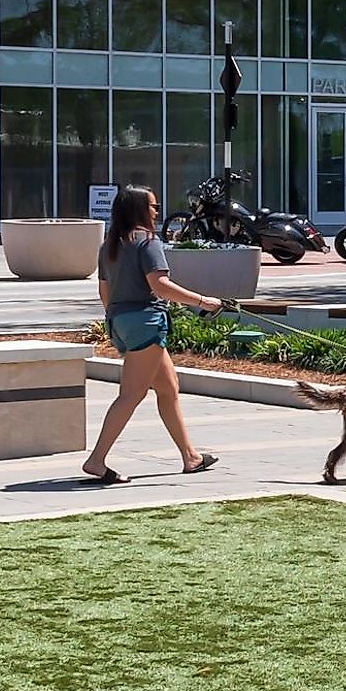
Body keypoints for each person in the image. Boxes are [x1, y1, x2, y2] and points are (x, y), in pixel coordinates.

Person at [83, 185, 233, 484]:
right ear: (140, 210)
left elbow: (104, 291)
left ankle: (190, 457)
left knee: (168, 388)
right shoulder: (148, 242)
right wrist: (204, 301)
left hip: (120, 322)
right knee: (131, 395)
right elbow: (160, 285)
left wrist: (120, 320)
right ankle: (96, 460)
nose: (157, 210)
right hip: (146, 322)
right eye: (152, 205)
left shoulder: (109, 245)